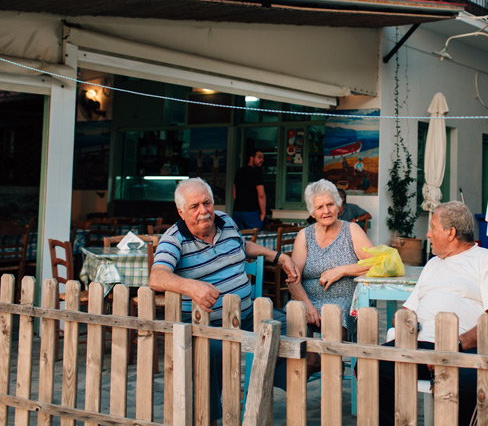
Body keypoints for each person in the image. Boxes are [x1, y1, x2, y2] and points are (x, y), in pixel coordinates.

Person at [150, 177, 299, 422]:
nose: (203, 211)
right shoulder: (174, 239)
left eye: (206, 203)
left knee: (294, 329)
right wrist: (191, 286)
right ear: (180, 211)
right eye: (194, 206)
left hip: (248, 315)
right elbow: (157, 277)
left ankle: (265, 387)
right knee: (210, 353)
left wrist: (279, 257)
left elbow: (243, 246)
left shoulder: (226, 221)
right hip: (207, 325)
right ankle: (210, 416)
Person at [376, 201, 488, 426]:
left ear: (451, 233)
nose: (428, 234)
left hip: (464, 351)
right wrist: (404, 323)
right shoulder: (432, 264)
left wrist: (455, 345)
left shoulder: (487, 260)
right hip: (419, 347)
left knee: (466, 382)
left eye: (433, 227)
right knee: (372, 365)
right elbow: (406, 311)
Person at [287, 179, 374, 374]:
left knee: (335, 316)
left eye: (330, 204)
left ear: (339, 205)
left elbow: (376, 262)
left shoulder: (351, 229)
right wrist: (308, 305)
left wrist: (342, 270)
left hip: (342, 302)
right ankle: (313, 363)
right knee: (295, 318)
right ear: (312, 212)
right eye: (320, 207)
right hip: (308, 301)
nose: (326, 211)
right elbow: (293, 278)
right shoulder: (304, 235)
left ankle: (331, 367)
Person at [233, 149, 266, 230]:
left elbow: (234, 194)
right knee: (254, 239)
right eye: (259, 157)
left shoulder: (239, 172)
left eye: (263, 158)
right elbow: (261, 195)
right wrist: (263, 213)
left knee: (239, 238)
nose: (262, 160)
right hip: (252, 212)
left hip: (237, 211)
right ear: (252, 158)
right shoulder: (257, 173)